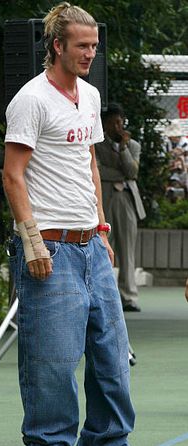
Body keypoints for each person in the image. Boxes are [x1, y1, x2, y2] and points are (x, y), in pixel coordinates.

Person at [3, 3, 150, 446]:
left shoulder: (89, 95)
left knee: (110, 354)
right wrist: (31, 241)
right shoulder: (31, 98)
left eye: (94, 45)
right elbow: (12, 175)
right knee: (53, 358)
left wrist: (102, 226)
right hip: (50, 242)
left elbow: (88, 163)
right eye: (82, 45)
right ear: (57, 46)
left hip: (90, 242)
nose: (90, 53)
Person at [95, 103, 146, 312]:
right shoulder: (96, 144)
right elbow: (97, 171)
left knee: (127, 249)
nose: (118, 126)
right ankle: (103, 293)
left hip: (127, 198)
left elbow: (133, 172)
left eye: (120, 122)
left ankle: (129, 296)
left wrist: (123, 149)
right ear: (105, 124)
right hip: (106, 198)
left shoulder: (132, 145)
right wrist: (121, 173)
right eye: (113, 122)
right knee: (104, 246)